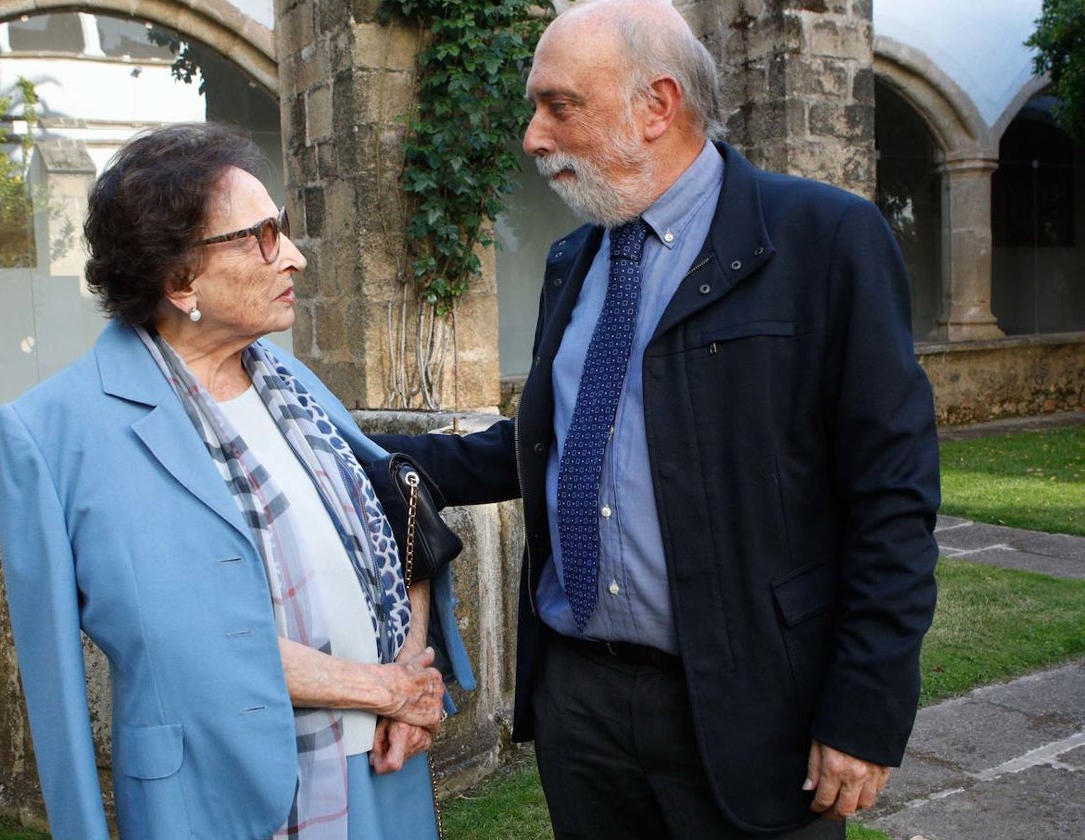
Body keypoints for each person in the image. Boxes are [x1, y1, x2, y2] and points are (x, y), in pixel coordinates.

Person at [373, 0, 941, 837]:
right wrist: (345, 451)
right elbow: (558, 437)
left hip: (754, 706)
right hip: (581, 706)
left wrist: (865, 708)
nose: (532, 136)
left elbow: (892, 497)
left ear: (658, 104)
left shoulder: (823, 239)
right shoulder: (578, 257)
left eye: (559, 105)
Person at [0, 122, 469, 840]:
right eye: (262, 237)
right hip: (218, 798)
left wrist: (413, 675)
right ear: (179, 276)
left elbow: (394, 516)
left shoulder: (291, 381)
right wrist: (389, 690)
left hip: (379, 766)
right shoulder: (54, 431)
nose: (297, 258)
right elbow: (179, 642)